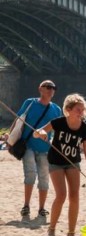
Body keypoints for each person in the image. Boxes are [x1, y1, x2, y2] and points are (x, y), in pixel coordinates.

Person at [33, 94, 86, 236]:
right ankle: (52, 229)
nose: (81, 112)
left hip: (73, 163)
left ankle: (71, 232)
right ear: (68, 110)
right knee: (61, 195)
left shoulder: (84, 128)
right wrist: (40, 133)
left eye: (82, 109)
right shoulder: (58, 122)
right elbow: (37, 132)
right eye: (78, 109)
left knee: (74, 196)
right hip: (55, 162)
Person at [10, 80, 62, 219]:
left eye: (53, 88)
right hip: (28, 146)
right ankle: (26, 206)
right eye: (48, 87)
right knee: (31, 174)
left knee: (44, 178)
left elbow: (59, 131)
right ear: (40, 89)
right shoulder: (30, 103)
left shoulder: (56, 109)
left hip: (45, 149)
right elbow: (18, 120)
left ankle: (41, 208)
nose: (51, 90)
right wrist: (10, 138)